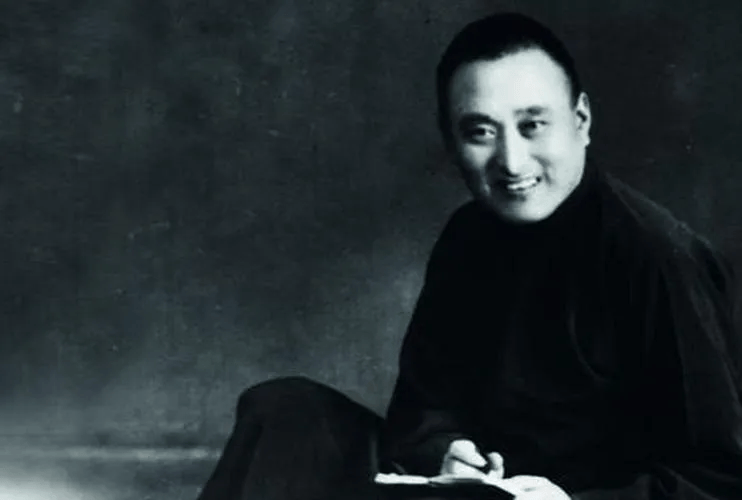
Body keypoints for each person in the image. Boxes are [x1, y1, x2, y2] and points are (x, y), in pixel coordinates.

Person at [196, 12, 742, 500]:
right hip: (472, 495)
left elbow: (720, 477)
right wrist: (445, 451)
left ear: (581, 120)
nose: (511, 161)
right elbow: (422, 407)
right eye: (481, 132)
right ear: (451, 142)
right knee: (286, 409)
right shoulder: (468, 236)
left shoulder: (657, 256)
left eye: (533, 125)